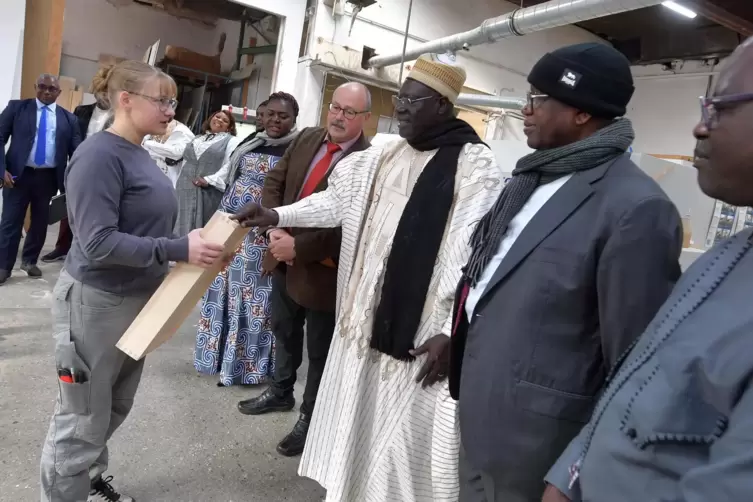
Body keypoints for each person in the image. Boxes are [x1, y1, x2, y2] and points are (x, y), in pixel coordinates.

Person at [233, 54, 505, 501]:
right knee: (354, 422)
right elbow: (336, 203)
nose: (399, 107)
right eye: (399, 97)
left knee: (397, 440)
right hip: (362, 317)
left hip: (414, 328)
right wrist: (276, 212)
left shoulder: (474, 165)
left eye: (412, 101)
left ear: (442, 105)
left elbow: (470, 254)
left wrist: (448, 328)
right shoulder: (385, 152)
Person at [447, 43, 683, 502]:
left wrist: (578, 466)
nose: (525, 109)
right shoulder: (530, 179)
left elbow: (634, 364)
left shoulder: (636, 208)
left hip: (540, 446)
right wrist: (456, 330)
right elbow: (496, 279)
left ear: (581, 113)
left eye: (538, 98)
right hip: (481, 412)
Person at [542, 36, 753, 502]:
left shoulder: (637, 206)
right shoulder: (724, 259)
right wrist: (569, 472)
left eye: (719, 106)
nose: (700, 128)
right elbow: (635, 381)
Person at [39, 60, 225, 502]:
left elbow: (145, 229)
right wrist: (178, 249)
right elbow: (99, 243)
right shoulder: (98, 155)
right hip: (96, 303)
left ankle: (88, 478)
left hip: (138, 301)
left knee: (112, 407)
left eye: (173, 101)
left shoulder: (139, 152)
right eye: (162, 100)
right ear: (126, 100)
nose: (171, 111)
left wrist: (186, 245)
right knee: (81, 415)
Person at [236, 82, 372, 457]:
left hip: (323, 272)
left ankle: (311, 418)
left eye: (350, 112)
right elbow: (275, 181)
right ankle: (281, 391)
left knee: (320, 350)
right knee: (283, 328)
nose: (339, 116)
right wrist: (276, 228)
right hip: (281, 253)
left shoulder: (366, 161)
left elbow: (350, 223)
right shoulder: (309, 138)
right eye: (336, 107)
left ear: (365, 118)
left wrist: (300, 247)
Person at [194, 92, 300, 387]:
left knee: (253, 299)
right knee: (219, 290)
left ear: (294, 119)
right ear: (261, 115)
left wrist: (275, 245)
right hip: (228, 223)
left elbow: (294, 199)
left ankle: (246, 368)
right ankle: (216, 360)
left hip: (261, 233)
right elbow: (230, 179)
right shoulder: (250, 142)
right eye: (270, 114)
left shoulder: (295, 149)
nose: (275, 120)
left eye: (283, 116)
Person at [0, 74, 81, 284]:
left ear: (59, 92)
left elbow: (77, 153)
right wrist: (2, 170)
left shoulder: (69, 119)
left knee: (39, 223)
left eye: (52, 89)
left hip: (48, 179)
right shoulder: (17, 108)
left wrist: (73, 182)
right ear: (35, 87)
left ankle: (29, 261)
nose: (46, 92)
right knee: (10, 222)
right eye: (42, 87)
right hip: (17, 176)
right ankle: (3, 266)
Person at [42, 66, 114, 263]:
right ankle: (62, 248)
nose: (106, 97)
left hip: (106, 168)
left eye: (110, 92)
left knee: (96, 212)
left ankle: (86, 250)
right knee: (69, 208)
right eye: (102, 92)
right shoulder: (81, 111)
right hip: (79, 164)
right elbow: (70, 139)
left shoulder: (120, 116)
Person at [174, 109, 240, 236]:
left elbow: (230, 164)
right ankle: (179, 253)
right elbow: (185, 161)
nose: (219, 120)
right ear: (211, 118)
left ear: (229, 128)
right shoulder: (197, 138)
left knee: (202, 227)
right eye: (217, 116)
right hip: (184, 186)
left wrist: (209, 180)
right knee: (180, 224)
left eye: (225, 120)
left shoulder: (231, 141)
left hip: (207, 189)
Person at [142, 118, 195, 187]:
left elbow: (177, 153)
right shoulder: (152, 123)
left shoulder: (182, 131)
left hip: (167, 179)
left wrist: (148, 144)